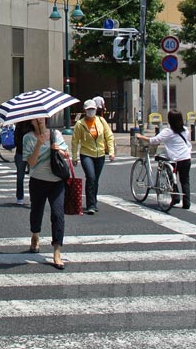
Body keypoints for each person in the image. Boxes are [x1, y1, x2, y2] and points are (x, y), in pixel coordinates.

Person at [20, 116, 68, 270]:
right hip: (38, 180)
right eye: (35, 119)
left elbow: (67, 155)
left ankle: (57, 251)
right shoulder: (28, 138)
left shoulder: (56, 134)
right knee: (36, 210)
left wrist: (58, 149)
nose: (39, 120)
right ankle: (35, 235)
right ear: (31, 122)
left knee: (58, 214)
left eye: (41, 118)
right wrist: (39, 144)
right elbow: (31, 163)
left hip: (57, 181)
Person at [135, 109, 192, 209]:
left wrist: (141, 136)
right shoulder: (185, 130)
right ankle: (186, 203)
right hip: (186, 158)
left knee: (170, 178)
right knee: (185, 181)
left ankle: (175, 197)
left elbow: (155, 140)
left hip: (174, 159)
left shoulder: (168, 131)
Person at [71, 99, 115, 215]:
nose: (91, 111)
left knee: (95, 179)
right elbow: (75, 141)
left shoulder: (101, 121)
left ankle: (93, 201)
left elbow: (109, 136)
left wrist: (111, 152)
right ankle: (90, 204)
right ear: (85, 110)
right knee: (90, 177)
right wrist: (74, 157)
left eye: (93, 109)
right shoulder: (80, 124)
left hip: (100, 154)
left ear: (96, 109)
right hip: (86, 154)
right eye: (88, 109)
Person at [13, 123, 27, 206]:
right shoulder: (34, 124)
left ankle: (20, 197)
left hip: (20, 152)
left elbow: (15, 140)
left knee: (20, 176)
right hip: (32, 153)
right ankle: (34, 197)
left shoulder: (19, 125)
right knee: (34, 177)